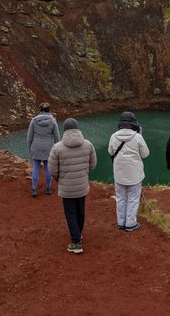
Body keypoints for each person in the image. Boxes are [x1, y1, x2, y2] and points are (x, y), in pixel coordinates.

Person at [48, 118, 97, 254]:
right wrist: (84, 174)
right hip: (82, 185)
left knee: (70, 213)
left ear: (64, 130)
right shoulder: (88, 145)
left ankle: (76, 242)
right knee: (80, 211)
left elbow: (52, 170)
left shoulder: (57, 147)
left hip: (66, 187)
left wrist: (60, 179)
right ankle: (78, 234)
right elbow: (92, 164)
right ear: (77, 129)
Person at [108, 111, 149, 231]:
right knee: (133, 199)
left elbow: (111, 152)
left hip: (119, 174)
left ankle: (121, 223)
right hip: (135, 175)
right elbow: (145, 154)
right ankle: (130, 224)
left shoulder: (113, 136)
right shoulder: (138, 137)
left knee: (120, 198)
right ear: (133, 123)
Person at [27, 103, 60, 197]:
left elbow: (29, 137)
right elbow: (57, 137)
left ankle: (34, 189)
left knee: (36, 168)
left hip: (36, 147)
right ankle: (48, 188)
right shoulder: (53, 121)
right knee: (48, 169)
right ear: (49, 110)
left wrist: (30, 149)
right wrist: (57, 149)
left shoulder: (34, 121)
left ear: (40, 110)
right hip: (49, 148)